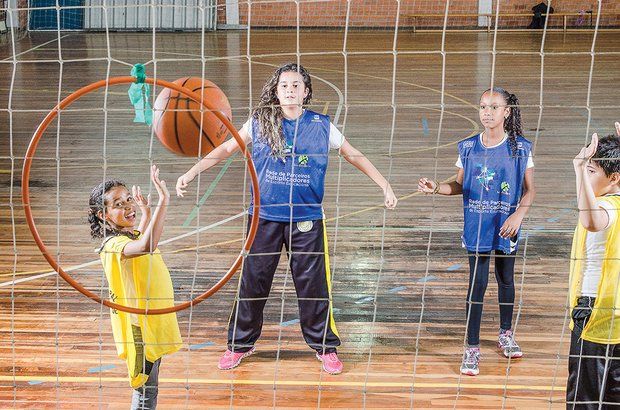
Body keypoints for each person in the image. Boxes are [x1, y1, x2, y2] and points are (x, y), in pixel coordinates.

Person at [176, 62, 397, 375]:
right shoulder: (259, 123)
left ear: (306, 92)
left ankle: (324, 347)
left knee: (314, 286)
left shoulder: (322, 125)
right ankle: (239, 345)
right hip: (263, 217)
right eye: (284, 85)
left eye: (296, 85)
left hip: (306, 219)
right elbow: (226, 149)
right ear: (275, 91)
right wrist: (191, 171)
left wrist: (383, 183)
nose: (290, 90)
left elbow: (353, 154)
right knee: (252, 283)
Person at [418, 87, 536, 376]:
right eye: (483, 106)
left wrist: (519, 215)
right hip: (478, 225)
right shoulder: (468, 147)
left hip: (506, 226)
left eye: (494, 107)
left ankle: (506, 333)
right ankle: (471, 348)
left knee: (505, 278)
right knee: (477, 284)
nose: (487, 112)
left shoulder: (520, 148)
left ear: (507, 112)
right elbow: (459, 185)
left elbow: (530, 191)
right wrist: (437, 188)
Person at [89, 165, 182, 409]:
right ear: (103, 215)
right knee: (145, 393)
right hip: (138, 332)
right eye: (118, 204)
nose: (128, 205)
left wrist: (147, 212)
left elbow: (145, 237)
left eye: (128, 199)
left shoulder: (130, 236)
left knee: (150, 389)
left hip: (152, 322)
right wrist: (164, 201)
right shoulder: (113, 245)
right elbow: (146, 246)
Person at [566, 125, 620, 409]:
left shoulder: (608, 207)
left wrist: (578, 168)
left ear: (613, 178)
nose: (587, 176)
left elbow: (591, 221)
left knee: (584, 398)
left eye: (592, 172)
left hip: (596, 313)